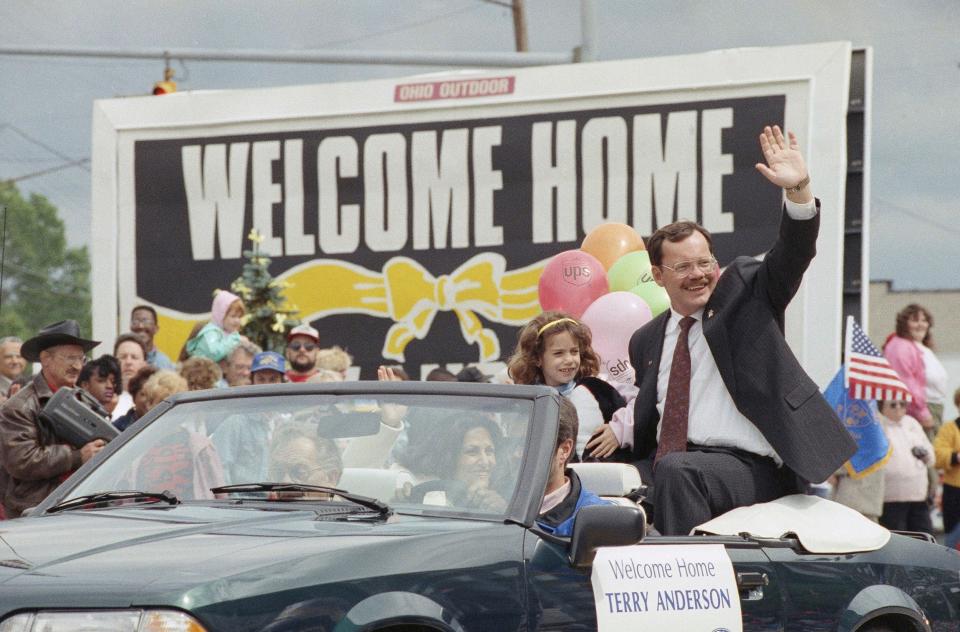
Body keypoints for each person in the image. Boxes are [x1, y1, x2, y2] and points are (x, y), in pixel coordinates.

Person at [604, 126, 856, 536]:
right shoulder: (646, 340)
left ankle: (690, 588)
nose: (698, 275)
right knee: (592, 483)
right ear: (657, 275)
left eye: (704, 262)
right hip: (671, 467)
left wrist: (799, 192)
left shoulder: (746, 295)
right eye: (683, 267)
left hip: (751, 468)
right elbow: (650, 426)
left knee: (677, 471)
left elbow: (793, 253)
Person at [0, 320, 106, 518]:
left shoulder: (84, 399)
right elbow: (21, 461)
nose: (77, 366)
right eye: (70, 358)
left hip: (80, 506)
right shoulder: (18, 406)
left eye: (81, 359)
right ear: (45, 359)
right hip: (37, 511)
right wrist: (77, 456)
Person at [507, 311, 625, 459]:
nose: (569, 359)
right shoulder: (530, 399)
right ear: (537, 358)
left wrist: (619, 429)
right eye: (559, 353)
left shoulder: (598, 386)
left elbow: (639, 405)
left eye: (574, 352)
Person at [536, 398, 610, 536]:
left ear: (564, 450)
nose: (517, 454)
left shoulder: (598, 519)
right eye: (514, 443)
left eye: (530, 443)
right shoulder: (495, 505)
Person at [883, 304, 948, 442]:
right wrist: (923, 414)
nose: (921, 325)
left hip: (932, 408)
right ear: (904, 324)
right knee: (923, 458)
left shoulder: (918, 347)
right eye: (915, 320)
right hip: (917, 412)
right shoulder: (900, 346)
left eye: (924, 320)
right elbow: (906, 383)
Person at [877, 400, 935, 535]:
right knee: (897, 539)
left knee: (924, 538)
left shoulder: (912, 423)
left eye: (902, 404)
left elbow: (932, 458)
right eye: (892, 404)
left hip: (918, 495)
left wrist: (925, 454)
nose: (898, 407)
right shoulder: (878, 424)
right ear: (882, 407)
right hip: (891, 498)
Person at [186, 290, 245, 362]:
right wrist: (235, 340)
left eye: (239, 317)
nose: (237, 321)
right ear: (220, 315)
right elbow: (213, 354)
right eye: (233, 316)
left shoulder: (229, 333)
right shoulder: (211, 332)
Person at [933, 388, 960, 540]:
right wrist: (956, 457)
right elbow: (937, 455)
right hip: (954, 492)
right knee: (952, 537)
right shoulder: (949, 428)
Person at [113, 365, 158, 431]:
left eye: (154, 395)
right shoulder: (118, 427)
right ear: (134, 396)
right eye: (144, 394)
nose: (149, 400)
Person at [113, 333, 148, 420]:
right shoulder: (105, 399)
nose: (128, 362)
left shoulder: (152, 400)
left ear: (144, 364)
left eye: (134, 357)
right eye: (123, 357)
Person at [129, 305, 175, 370]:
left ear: (156, 329)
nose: (141, 326)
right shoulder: (125, 361)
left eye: (146, 322)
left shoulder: (163, 363)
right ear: (131, 327)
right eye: (136, 322)